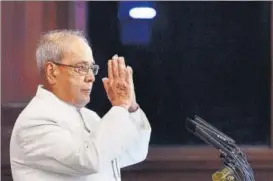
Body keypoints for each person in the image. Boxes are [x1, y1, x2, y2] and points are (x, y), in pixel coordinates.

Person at [9, 29, 152, 181]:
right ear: (52, 72)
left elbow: (134, 151)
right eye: (81, 68)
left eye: (91, 68)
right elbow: (88, 161)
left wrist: (131, 107)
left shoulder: (89, 117)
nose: (91, 77)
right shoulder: (35, 122)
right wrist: (119, 106)